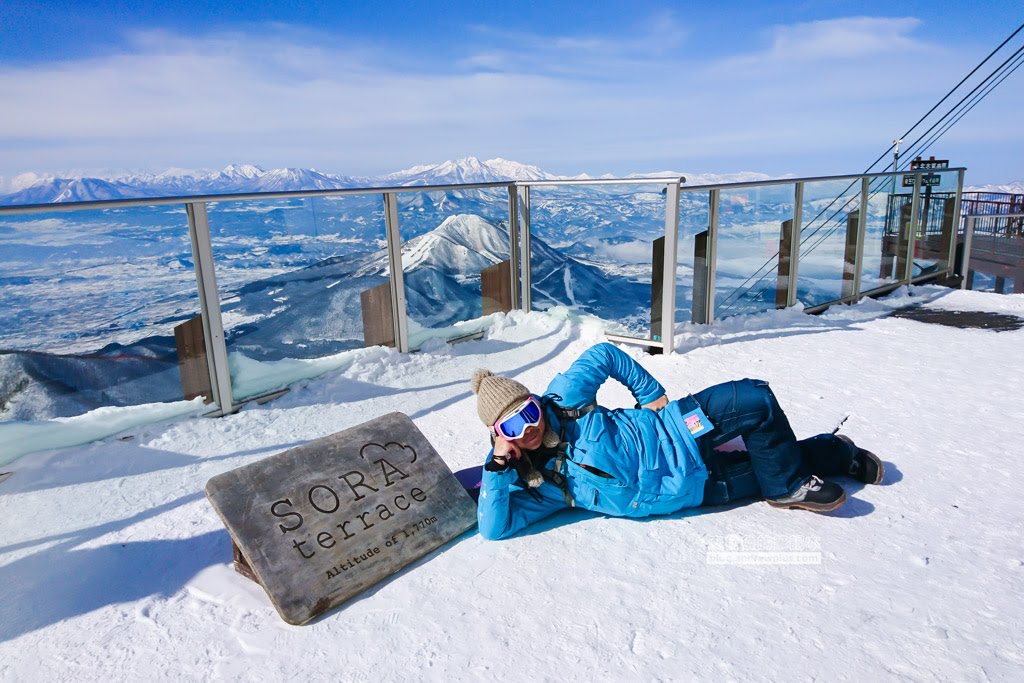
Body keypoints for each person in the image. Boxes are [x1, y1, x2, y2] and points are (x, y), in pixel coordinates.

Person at [469, 342, 883, 541]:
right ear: (498, 437)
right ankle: (837, 453)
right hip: (691, 491)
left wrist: (649, 395)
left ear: (536, 403)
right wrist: (496, 470)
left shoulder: (563, 397)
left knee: (753, 397)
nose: (528, 430)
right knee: (766, 459)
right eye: (511, 429)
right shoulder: (537, 485)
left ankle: (786, 488)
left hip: (677, 429)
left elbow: (603, 354)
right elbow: (493, 528)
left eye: (529, 415)